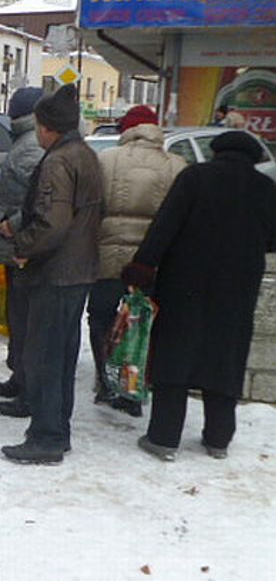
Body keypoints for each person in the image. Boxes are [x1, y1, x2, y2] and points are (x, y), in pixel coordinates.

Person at [122, 131, 276, 462]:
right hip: (237, 289)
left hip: (184, 283)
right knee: (225, 358)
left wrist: (142, 266)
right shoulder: (265, 188)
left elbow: (165, 225)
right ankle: (218, 438)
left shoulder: (195, 177)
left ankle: (164, 437)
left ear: (217, 152)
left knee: (175, 355)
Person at [0, 84, 103, 465]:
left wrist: (23, 246)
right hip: (78, 270)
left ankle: (46, 437)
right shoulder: (86, 154)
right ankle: (57, 430)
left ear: (46, 127)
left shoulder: (58, 161)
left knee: (44, 357)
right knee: (61, 357)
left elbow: (53, 223)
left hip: (56, 272)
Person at [88, 105, 185, 417]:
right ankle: (133, 388)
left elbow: (93, 207)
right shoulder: (176, 165)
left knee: (101, 316)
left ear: (127, 130)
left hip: (109, 252)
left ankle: (106, 381)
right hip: (152, 260)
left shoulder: (107, 160)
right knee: (142, 324)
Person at [0, 87, 45, 401]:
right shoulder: (27, 140)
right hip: (17, 244)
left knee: (24, 318)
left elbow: (43, 197)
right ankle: (19, 377)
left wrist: (13, 223)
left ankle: (25, 384)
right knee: (17, 316)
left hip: (24, 245)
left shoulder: (32, 146)